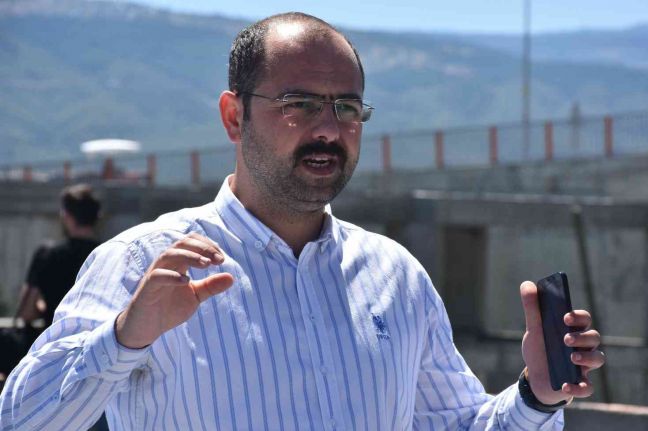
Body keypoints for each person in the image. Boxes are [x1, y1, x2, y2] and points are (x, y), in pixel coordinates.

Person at [0, 12, 604, 430]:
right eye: (300, 104)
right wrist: (125, 337)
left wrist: (535, 396)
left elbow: (458, 424)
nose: (328, 129)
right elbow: (21, 418)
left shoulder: (394, 276)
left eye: (346, 107)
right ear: (234, 117)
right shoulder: (144, 262)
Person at [15, 184, 102, 329]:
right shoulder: (107, 255)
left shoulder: (47, 254)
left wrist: (45, 308)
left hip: (56, 338)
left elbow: (26, 312)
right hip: (95, 339)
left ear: (67, 216)